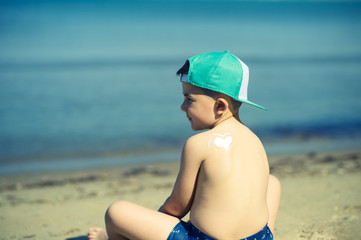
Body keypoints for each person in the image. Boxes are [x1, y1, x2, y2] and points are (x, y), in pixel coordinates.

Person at [88, 51, 281, 240]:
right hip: (259, 237)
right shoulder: (255, 141)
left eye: (189, 99)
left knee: (117, 212)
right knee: (271, 182)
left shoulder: (198, 144)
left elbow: (176, 208)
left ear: (220, 106)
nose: (182, 107)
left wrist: (151, 224)